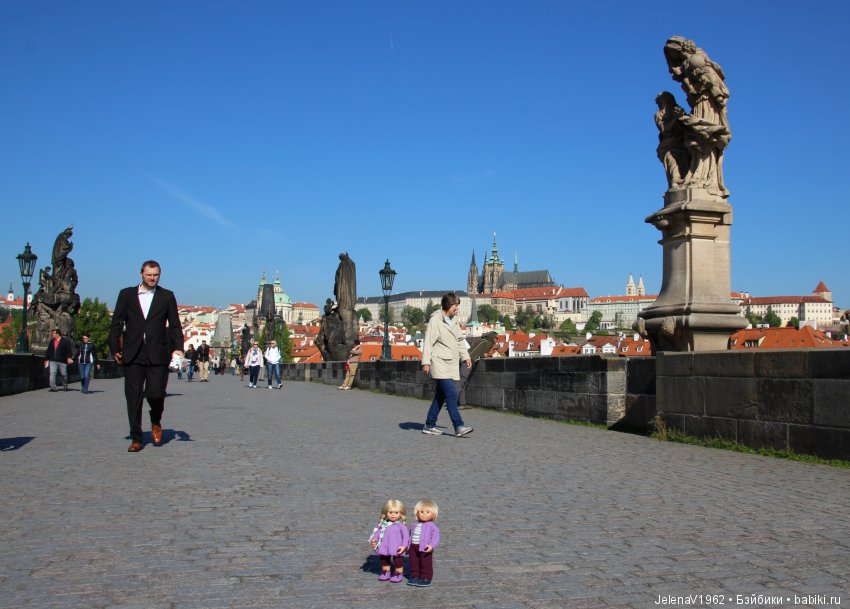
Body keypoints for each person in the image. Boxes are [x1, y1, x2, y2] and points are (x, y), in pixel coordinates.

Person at [108, 260, 183, 452]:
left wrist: (178, 348)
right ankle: (136, 437)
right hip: (133, 352)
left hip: (158, 352)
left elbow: (175, 325)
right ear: (141, 273)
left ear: (160, 275)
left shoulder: (167, 296)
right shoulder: (126, 295)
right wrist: (114, 347)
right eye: (149, 274)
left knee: (156, 393)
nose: (152, 278)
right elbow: (116, 323)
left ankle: (156, 420)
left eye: (156, 275)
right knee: (133, 397)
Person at [421, 293, 473, 437]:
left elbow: (459, 340)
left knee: (440, 396)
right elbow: (428, 342)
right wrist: (425, 362)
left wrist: (466, 356)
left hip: (451, 363)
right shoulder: (435, 320)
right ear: (449, 305)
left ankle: (429, 424)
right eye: (455, 306)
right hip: (439, 362)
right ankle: (458, 426)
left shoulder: (454, 320)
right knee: (451, 393)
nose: (457, 310)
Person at [368, 499, 409, 583]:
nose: (393, 515)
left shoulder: (401, 526)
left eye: (396, 513)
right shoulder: (383, 525)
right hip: (384, 546)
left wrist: (404, 546)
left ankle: (398, 573)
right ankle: (386, 572)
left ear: (401, 514)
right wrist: (374, 540)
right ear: (386, 513)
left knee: (398, 561)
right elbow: (377, 533)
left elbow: (406, 537)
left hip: (397, 547)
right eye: (390, 512)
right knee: (384, 559)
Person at [407, 499, 441, 587]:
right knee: (414, 562)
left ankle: (426, 577)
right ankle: (415, 575)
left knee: (426, 563)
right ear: (417, 513)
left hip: (425, 548)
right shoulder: (414, 525)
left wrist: (431, 545)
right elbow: (410, 535)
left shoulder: (432, 526)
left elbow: (435, 537)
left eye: (427, 512)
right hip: (413, 547)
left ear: (433, 514)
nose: (424, 514)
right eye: (421, 511)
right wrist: (407, 546)